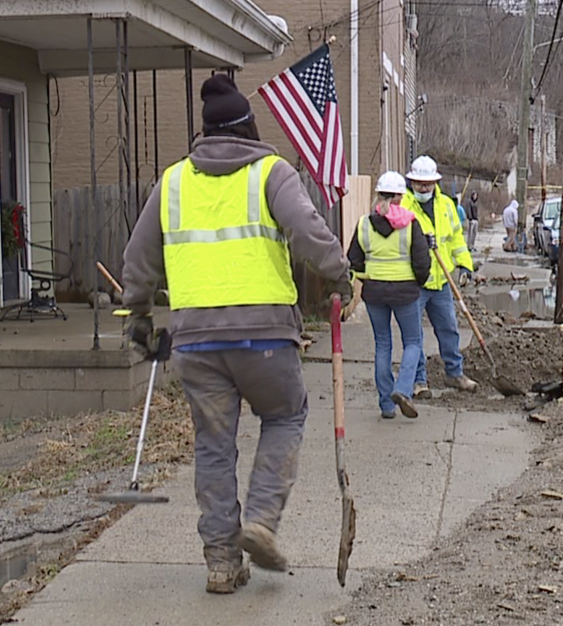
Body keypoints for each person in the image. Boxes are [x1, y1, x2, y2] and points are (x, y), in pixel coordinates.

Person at [121, 74, 352, 595]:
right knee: (286, 414)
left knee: (214, 446)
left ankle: (222, 563)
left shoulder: (173, 182)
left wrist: (138, 316)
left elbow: (138, 258)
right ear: (249, 126)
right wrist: (340, 274)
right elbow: (309, 233)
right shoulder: (272, 174)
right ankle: (263, 520)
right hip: (265, 339)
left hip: (196, 345)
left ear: (205, 132)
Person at [347, 171, 431, 419]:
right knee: (413, 342)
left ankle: (386, 405)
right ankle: (403, 389)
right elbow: (422, 261)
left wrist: (368, 276)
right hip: (405, 292)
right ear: (400, 197)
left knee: (383, 344)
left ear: (378, 195)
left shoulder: (364, 223)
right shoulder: (410, 222)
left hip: (374, 292)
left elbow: (354, 260)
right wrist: (418, 283)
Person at [400, 156, 479, 398]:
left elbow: (456, 238)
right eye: (419, 183)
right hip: (415, 281)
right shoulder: (403, 205)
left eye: (428, 183)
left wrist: (465, 264)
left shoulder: (446, 205)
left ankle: (454, 373)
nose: (424, 188)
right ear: (411, 182)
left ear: (435, 182)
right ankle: (419, 380)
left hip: (442, 280)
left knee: (449, 329)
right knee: (414, 335)